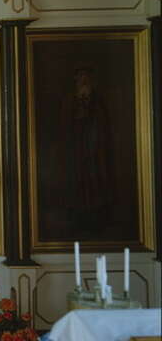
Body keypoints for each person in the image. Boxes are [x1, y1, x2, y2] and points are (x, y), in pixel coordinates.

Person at [56, 66, 112, 236]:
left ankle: (96, 217)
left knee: (94, 183)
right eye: (80, 79)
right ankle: (77, 217)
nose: (83, 82)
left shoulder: (98, 101)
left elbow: (103, 125)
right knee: (76, 183)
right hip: (76, 152)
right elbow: (63, 126)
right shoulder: (69, 101)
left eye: (86, 79)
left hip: (94, 152)